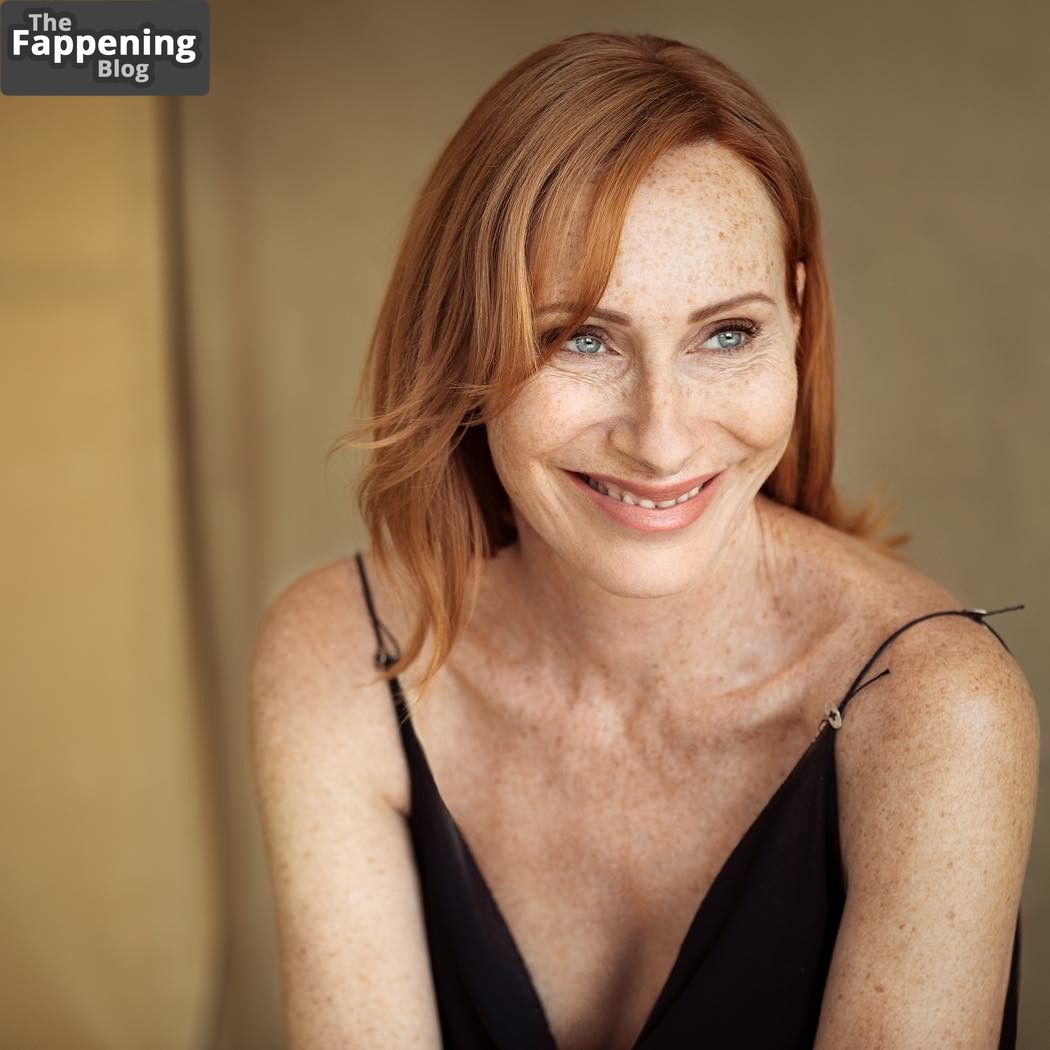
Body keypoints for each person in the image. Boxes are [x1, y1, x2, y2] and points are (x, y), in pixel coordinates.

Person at [248, 30, 1039, 1050]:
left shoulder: (938, 712)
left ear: (798, 319)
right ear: (462, 344)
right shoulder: (340, 658)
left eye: (727, 334)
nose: (661, 438)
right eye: (580, 337)